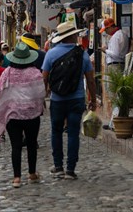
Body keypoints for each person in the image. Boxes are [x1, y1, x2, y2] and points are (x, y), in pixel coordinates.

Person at [0, 43, 46, 188]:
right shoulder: (35, 72)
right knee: (31, 144)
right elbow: (41, 93)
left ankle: (17, 178)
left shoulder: (7, 72)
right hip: (32, 116)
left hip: (13, 116)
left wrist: (1, 111)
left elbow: (0, 93)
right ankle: (32, 173)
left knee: (15, 146)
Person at [42, 21, 97, 180]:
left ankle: (58, 166)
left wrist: (41, 98)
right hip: (77, 99)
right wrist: (92, 99)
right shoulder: (82, 54)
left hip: (57, 100)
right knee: (73, 133)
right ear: (72, 36)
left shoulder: (51, 54)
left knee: (56, 132)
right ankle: (70, 170)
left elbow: (44, 78)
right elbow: (91, 80)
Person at [99, 18, 130, 128]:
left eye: (106, 30)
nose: (106, 32)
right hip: (115, 65)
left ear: (110, 27)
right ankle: (114, 121)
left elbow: (116, 54)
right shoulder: (119, 35)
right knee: (114, 94)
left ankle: (115, 122)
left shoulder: (117, 36)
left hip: (115, 65)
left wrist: (105, 50)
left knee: (114, 94)